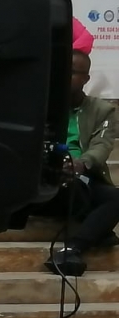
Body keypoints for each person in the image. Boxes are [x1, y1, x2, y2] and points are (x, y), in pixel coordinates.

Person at [38, 51, 119, 277]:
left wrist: (81, 164)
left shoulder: (102, 110)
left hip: (81, 177)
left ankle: (72, 248)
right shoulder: (40, 108)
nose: (66, 77)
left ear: (86, 79)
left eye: (73, 72)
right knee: (82, 195)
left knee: (113, 197)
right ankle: (101, 232)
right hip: (46, 183)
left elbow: (102, 145)